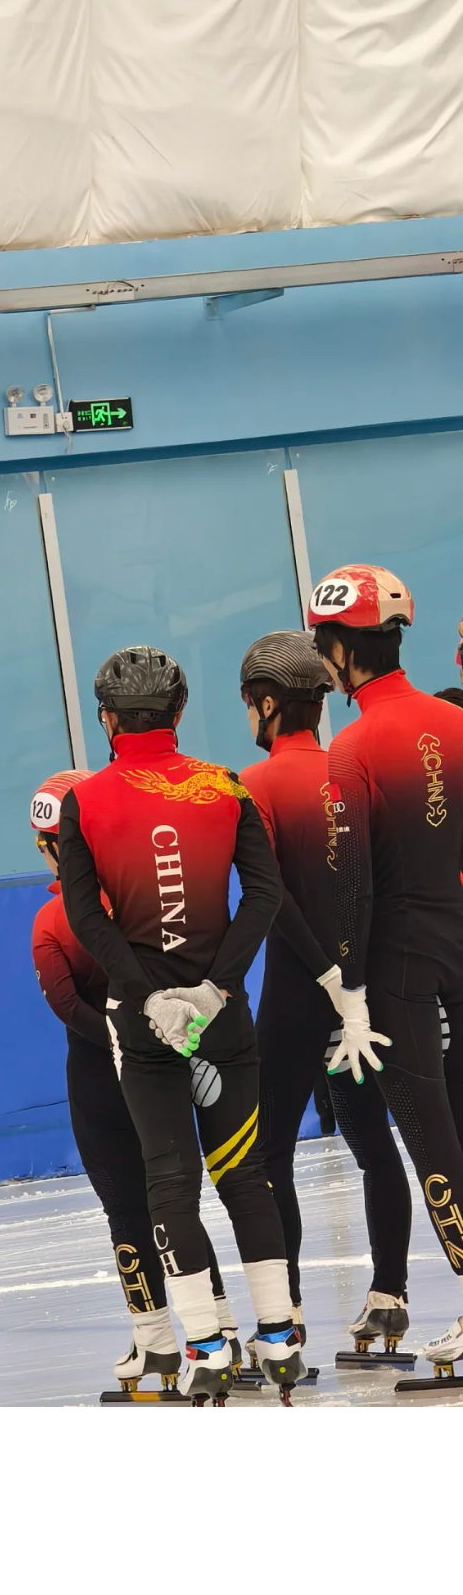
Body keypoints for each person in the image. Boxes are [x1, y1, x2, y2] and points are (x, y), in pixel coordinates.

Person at [57, 646, 303, 1403]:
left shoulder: (83, 801)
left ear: (107, 720)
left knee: (168, 1180)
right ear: (179, 712)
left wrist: (146, 996)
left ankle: (204, 1346)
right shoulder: (224, 785)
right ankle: (279, 1336)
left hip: (143, 1026)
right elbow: (263, 895)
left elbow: (83, 917)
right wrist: (217, 988)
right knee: (245, 1173)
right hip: (221, 1018)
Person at [29, 771, 242, 1393]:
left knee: (126, 1209)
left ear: (51, 845)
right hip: (165, 1060)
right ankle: (222, 1327)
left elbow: (66, 1006)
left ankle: (155, 1342)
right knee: (176, 1201)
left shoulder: (52, 919)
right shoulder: (147, 897)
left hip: (102, 1076)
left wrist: (121, 1037)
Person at [237, 632, 413, 1353]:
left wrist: (322, 978)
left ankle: (289, 1314)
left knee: (269, 1153)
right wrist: (351, 983)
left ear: (267, 703)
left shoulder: (255, 783)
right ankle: (389, 1295)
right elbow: (377, 885)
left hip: (295, 993)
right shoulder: (354, 771)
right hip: (363, 993)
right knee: (374, 1143)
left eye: (250, 703)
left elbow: (270, 895)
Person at [309, 565, 463, 1371]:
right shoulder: (454, 721)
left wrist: (348, 988)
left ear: (341, 648)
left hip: (398, 962)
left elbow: (352, 884)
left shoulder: (350, 748)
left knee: (430, 1136)